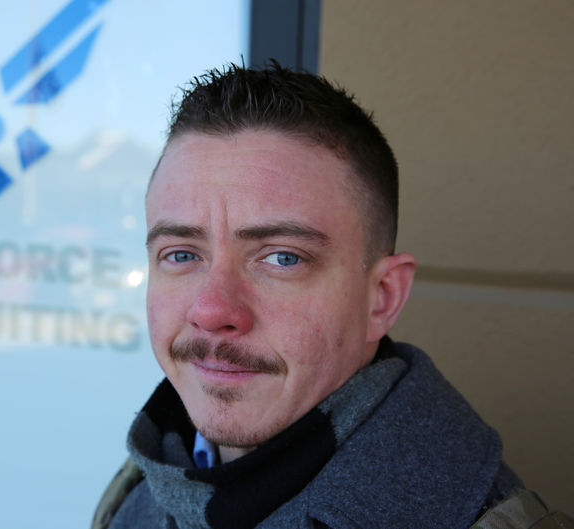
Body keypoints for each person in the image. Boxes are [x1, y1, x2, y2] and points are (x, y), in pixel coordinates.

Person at [92, 63, 571, 529]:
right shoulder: (139, 490)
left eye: (282, 258)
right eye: (180, 255)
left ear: (381, 297)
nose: (212, 310)